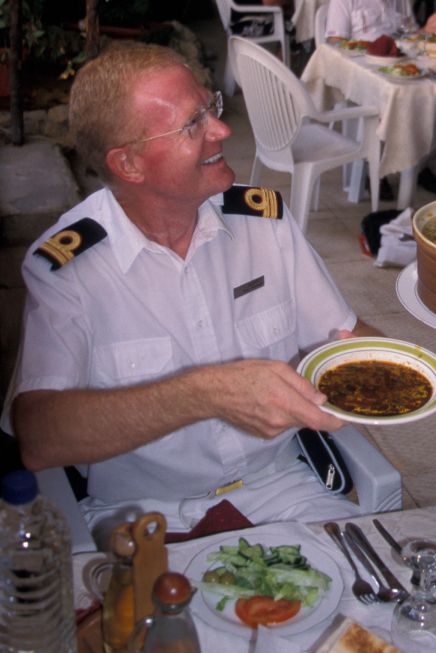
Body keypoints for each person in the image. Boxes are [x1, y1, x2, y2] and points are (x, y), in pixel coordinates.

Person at [0, 43, 382, 543]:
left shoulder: (262, 222)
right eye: (192, 123)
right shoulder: (70, 269)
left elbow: (346, 337)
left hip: (282, 491)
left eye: (211, 108)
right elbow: (40, 436)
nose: (222, 130)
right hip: (138, 521)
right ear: (129, 164)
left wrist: (421, 354)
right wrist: (204, 394)